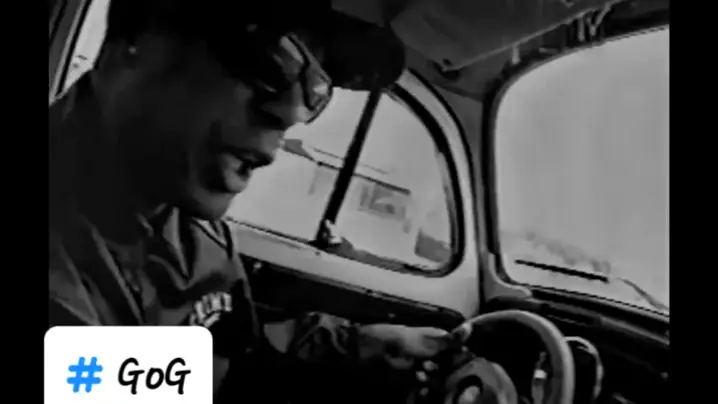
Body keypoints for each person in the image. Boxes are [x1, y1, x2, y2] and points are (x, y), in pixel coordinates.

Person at [48, 0, 473, 402]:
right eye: (270, 60)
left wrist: (359, 345)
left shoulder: (189, 219)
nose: (291, 114)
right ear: (137, 43)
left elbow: (231, 350)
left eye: (316, 89)